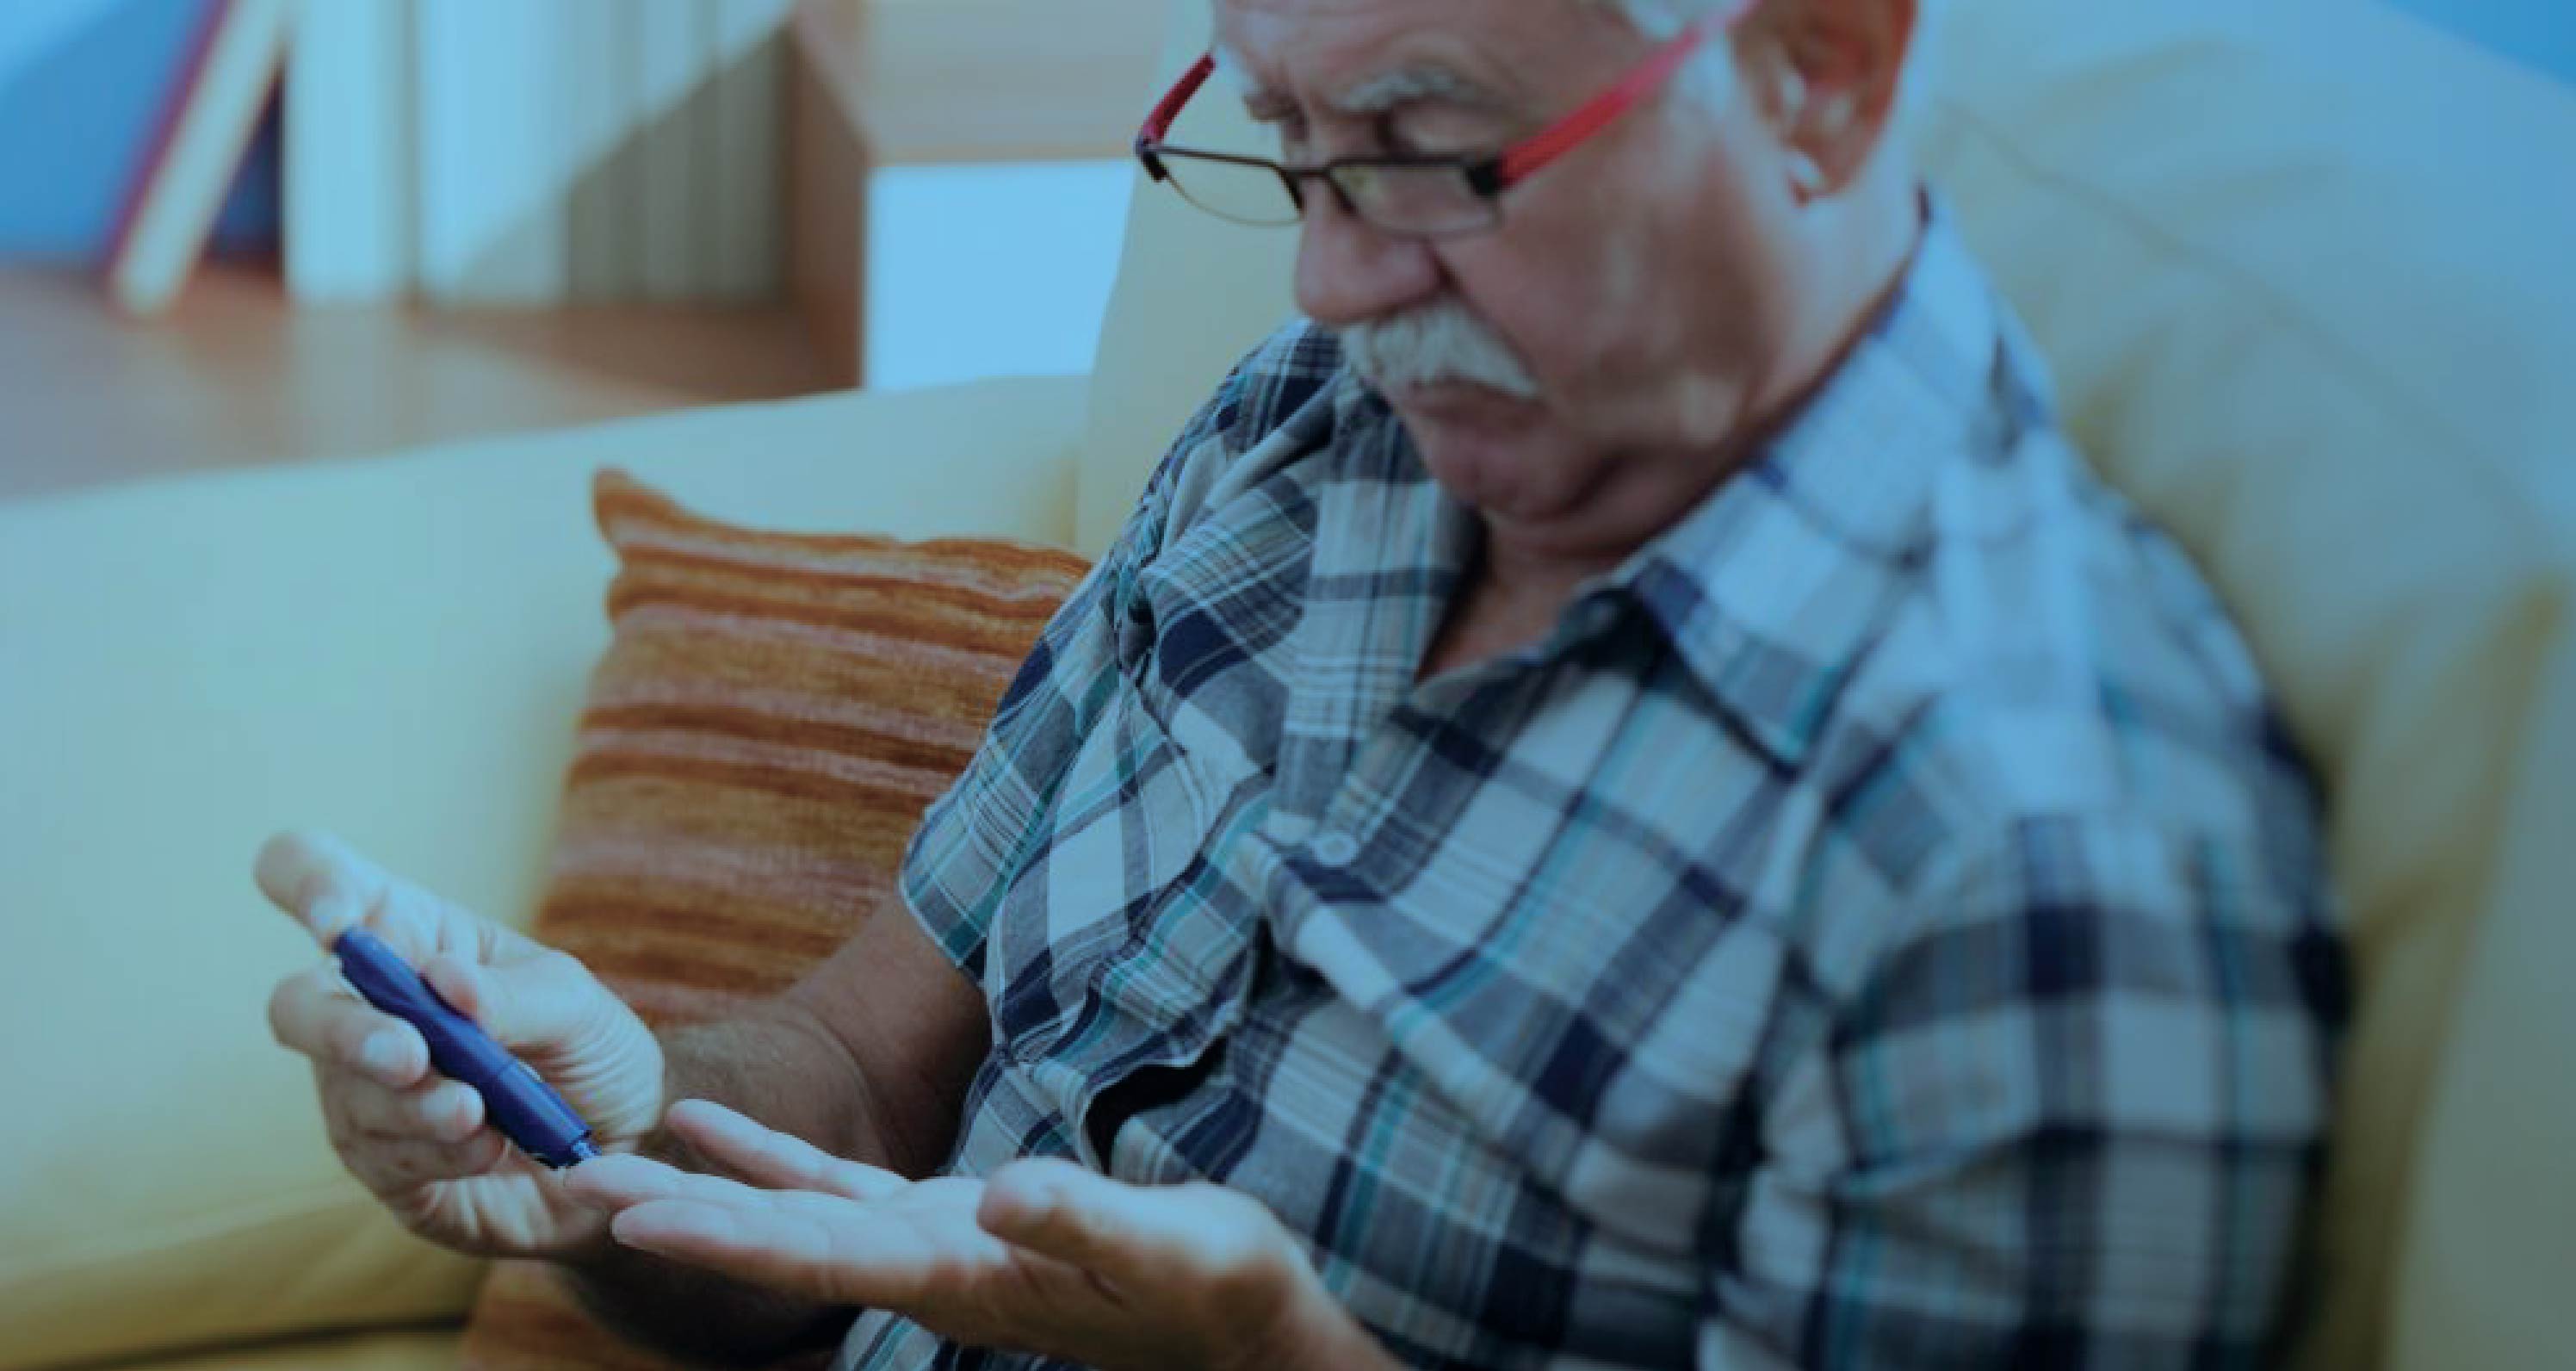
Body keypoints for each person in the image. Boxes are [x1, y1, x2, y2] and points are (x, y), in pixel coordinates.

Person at [252, 0, 2350, 1365]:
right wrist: (616, 1136)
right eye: (1287, 138)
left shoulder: (2044, 879)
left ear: (1818, 66)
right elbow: (853, 1074)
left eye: (1430, 153)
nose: (1327, 270)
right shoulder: (1312, 428)